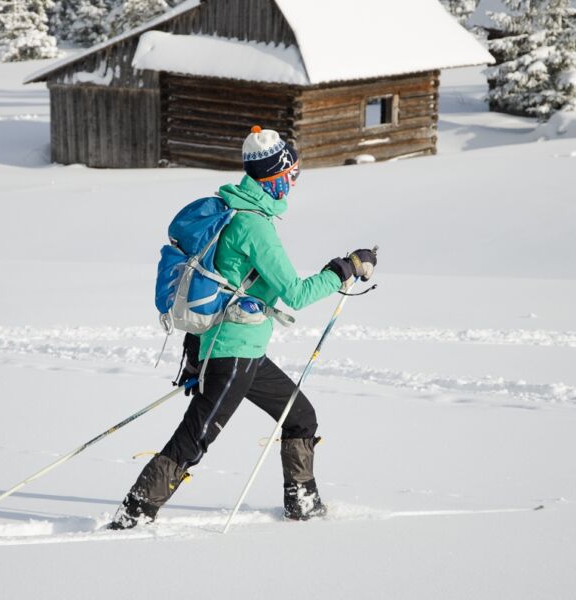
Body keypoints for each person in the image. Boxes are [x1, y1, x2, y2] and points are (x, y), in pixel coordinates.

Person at [107, 126, 377, 530]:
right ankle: (135, 512)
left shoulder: (232, 207)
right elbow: (298, 294)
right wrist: (343, 270)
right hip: (233, 351)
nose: (294, 182)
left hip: (235, 347)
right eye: (293, 174)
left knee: (300, 414)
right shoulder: (254, 227)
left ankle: (301, 503)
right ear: (277, 177)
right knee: (196, 436)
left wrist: (197, 354)